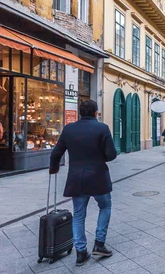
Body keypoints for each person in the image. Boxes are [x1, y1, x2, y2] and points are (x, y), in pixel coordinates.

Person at [49, 100, 117, 267]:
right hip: (98, 177)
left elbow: (56, 153)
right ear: (96, 113)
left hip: (76, 179)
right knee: (105, 206)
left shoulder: (69, 129)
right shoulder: (102, 128)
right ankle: (99, 243)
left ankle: (81, 252)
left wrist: (54, 168)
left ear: (80, 113)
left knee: (79, 215)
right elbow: (111, 155)